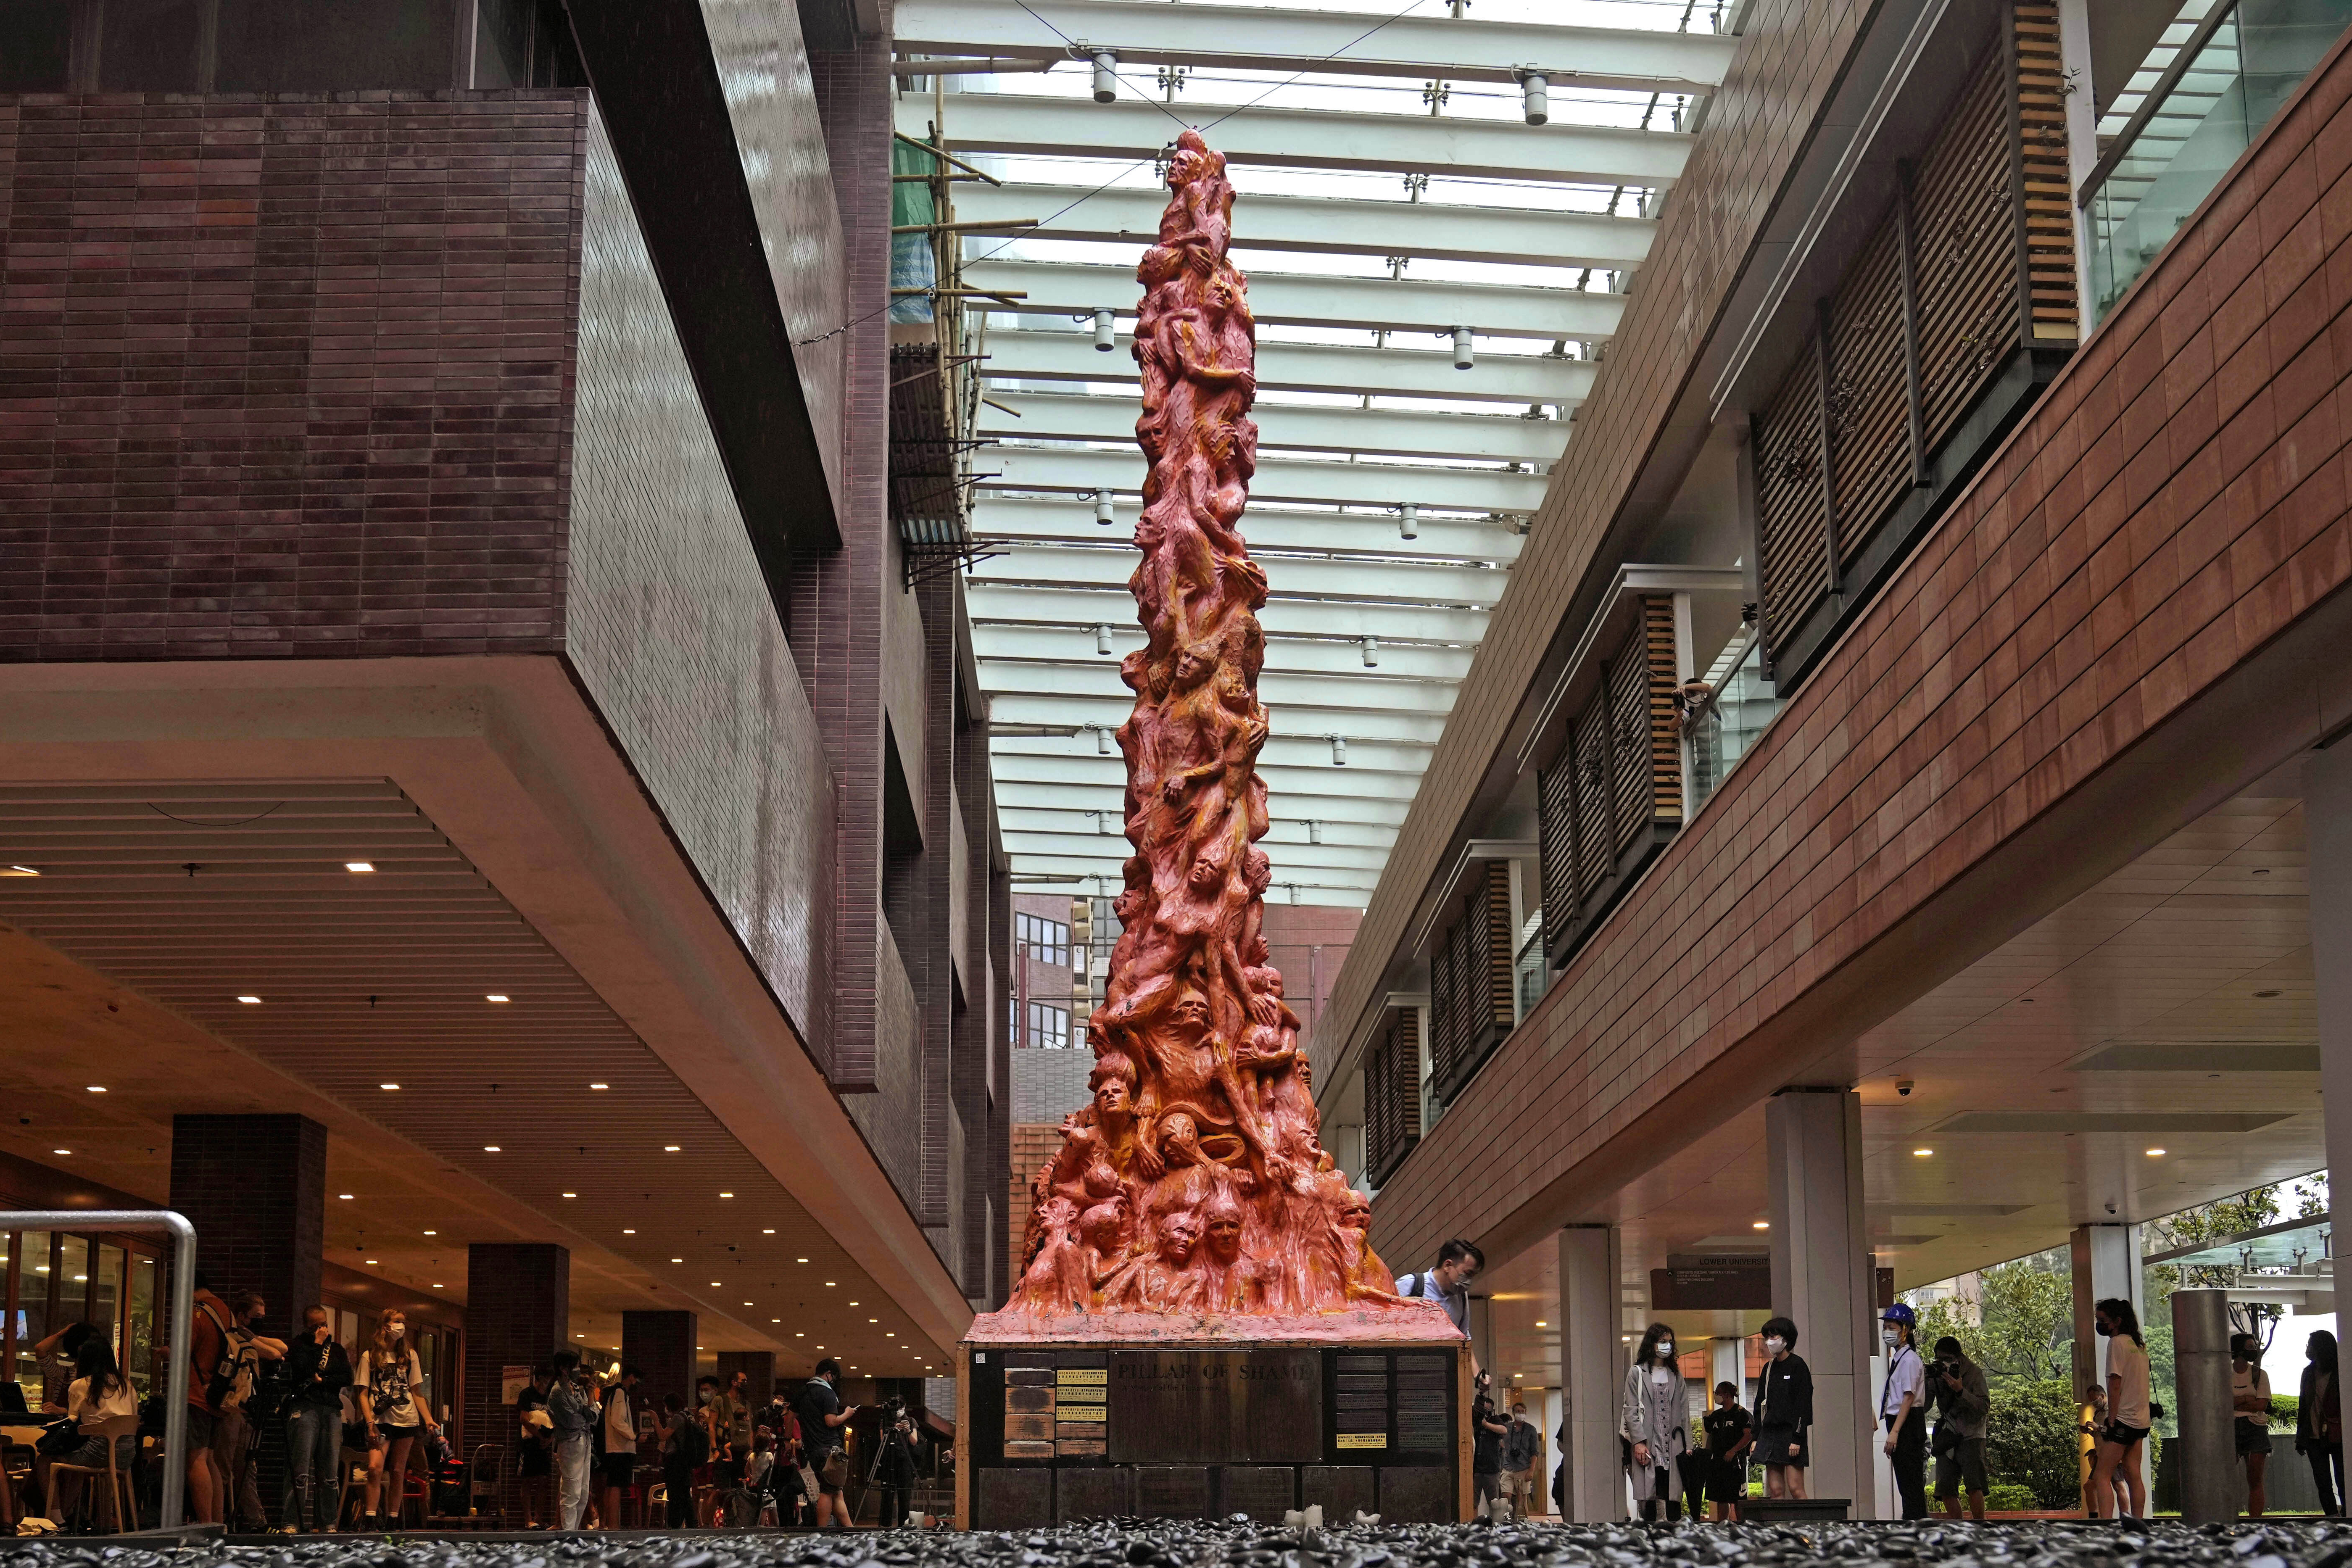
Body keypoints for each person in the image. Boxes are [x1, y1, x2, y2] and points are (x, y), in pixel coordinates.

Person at [356, 1309, 440, 1530]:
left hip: (407, 1419)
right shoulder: (370, 1356)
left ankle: (393, 1518)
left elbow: (417, 1392)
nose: (401, 1326)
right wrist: (369, 1422)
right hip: (380, 1420)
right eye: (397, 1322)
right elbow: (363, 1393)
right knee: (375, 1467)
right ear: (385, 1325)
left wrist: (429, 1419)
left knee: (398, 1471)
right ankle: (370, 1517)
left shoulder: (410, 1356)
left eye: (404, 1322)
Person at [213, 1290, 288, 1531]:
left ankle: (257, 1522)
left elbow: (282, 1347)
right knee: (223, 1468)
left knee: (246, 1470)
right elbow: (274, 1353)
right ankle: (216, 1521)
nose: (261, 1319)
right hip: (231, 1408)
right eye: (257, 1315)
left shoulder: (246, 1335)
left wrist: (254, 1335)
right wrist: (253, 1339)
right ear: (243, 1315)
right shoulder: (233, 1337)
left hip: (246, 1411)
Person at [41, 1338, 136, 1525]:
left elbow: (73, 1419)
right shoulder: (127, 1385)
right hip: (126, 1454)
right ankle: (66, 1515)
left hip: (98, 1453)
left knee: (45, 1460)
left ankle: (55, 1517)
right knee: (77, 1464)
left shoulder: (81, 1385)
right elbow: (134, 1417)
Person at [283, 1307, 352, 1531]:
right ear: (307, 1326)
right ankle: (292, 1522)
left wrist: (322, 1380)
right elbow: (302, 1369)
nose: (322, 1329)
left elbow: (346, 1377)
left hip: (331, 1411)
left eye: (324, 1324)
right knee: (300, 1470)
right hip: (305, 1408)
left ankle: (328, 1523)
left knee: (330, 1472)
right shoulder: (299, 1346)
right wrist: (315, 1345)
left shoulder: (337, 1349)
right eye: (316, 1326)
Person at [2088, 1296, 2150, 1520]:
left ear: (2117, 1321)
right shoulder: (2139, 1346)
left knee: (2102, 1475)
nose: (2100, 1324)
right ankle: (2139, 1522)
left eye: (2103, 1320)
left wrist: (2111, 1419)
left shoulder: (2117, 1343)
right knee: (2134, 1474)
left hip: (2123, 1419)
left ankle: (2106, 1524)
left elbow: (2114, 1385)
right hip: (2142, 1420)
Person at [1620, 1322, 1689, 1522]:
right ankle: (1651, 1541)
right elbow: (1630, 1410)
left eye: (1669, 1342)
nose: (1667, 1346)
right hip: (1649, 1443)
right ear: (1652, 1344)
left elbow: (1684, 1410)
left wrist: (1689, 1446)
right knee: (1649, 1497)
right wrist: (1639, 1442)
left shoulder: (1676, 1375)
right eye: (1662, 1342)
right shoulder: (1637, 1373)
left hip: (1673, 1445)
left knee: (1673, 1497)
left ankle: (1673, 1542)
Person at [184, 1275, 233, 1524]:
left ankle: (204, 1524)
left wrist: (167, 1352)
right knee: (211, 1458)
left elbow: (185, 1350)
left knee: (197, 1458)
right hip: (219, 1394)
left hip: (196, 1393)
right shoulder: (226, 1311)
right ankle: (217, 1523)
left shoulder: (197, 1313)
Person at [1928, 1335, 1989, 1521]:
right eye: (1938, 1359)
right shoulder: (1939, 1374)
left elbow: (1984, 1407)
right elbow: (1926, 1405)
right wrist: (1925, 1381)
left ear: (1958, 1358)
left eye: (1946, 1359)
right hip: (1949, 1432)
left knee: (1974, 1485)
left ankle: (1980, 1526)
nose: (1942, 1363)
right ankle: (1958, 1526)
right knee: (1945, 1487)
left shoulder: (1974, 1373)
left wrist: (1961, 1391)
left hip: (1972, 1433)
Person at [1752, 1317, 1812, 1500]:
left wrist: (1797, 1438)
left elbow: (1804, 1404)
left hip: (1791, 1433)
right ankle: (1778, 1528)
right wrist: (1756, 1438)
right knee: (1776, 1491)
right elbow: (1760, 1404)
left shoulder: (1798, 1365)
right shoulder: (1768, 1368)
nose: (1769, 1341)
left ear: (1786, 1339)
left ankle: (1808, 1527)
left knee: (1796, 1488)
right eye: (1767, 1337)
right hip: (1770, 1434)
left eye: (1773, 1336)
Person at [795, 1358, 859, 1527]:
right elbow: (831, 1421)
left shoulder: (803, 1391)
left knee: (836, 1491)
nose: (834, 1381)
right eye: (834, 1377)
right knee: (828, 1491)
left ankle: (850, 1529)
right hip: (829, 1448)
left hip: (812, 1449)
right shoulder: (827, 1393)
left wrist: (791, 1439)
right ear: (829, 1374)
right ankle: (822, 1530)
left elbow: (789, 1417)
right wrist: (847, 1414)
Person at [1879, 1303, 1927, 1520]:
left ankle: (1915, 1523)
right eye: (1885, 1328)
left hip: (1907, 1423)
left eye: (1891, 1328)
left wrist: (1895, 1432)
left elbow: (1908, 1397)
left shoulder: (1909, 1360)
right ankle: (1912, 1520)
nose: (1887, 1333)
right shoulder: (1899, 1359)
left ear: (1905, 1330)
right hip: (1900, 1421)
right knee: (1906, 1482)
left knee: (1911, 1483)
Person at [546, 1349, 598, 1530]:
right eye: (575, 1366)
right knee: (572, 1489)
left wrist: (587, 1407)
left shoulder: (576, 1388)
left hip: (584, 1441)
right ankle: (568, 1532)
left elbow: (594, 1416)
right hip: (569, 1442)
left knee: (583, 1492)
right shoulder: (557, 1392)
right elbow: (571, 1421)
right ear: (564, 1369)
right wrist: (585, 1415)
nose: (578, 1370)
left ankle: (575, 1531)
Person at [1395, 1239, 1484, 1345]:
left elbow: (1464, 1340)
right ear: (1447, 1265)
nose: (1469, 1281)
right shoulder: (1410, 1285)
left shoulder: (1462, 1297)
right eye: (1467, 1273)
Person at [2298, 1330, 2344, 1515]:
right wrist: (2301, 1436)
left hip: (2338, 1434)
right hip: (2313, 1436)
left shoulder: (2341, 1371)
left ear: (2319, 1348)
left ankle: (2347, 1517)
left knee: (2343, 1480)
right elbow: (2304, 1405)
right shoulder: (2308, 1373)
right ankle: (2333, 1518)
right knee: (2323, 1482)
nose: (2308, 1349)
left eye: (2310, 1345)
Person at [2233, 1331, 2275, 1517]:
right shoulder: (2223, 1373)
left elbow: (2262, 1405)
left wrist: (2236, 1401)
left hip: (2255, 1427)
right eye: (2250, 1347)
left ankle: (2255, 1521)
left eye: (2254, 1347)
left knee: (2255, 1479)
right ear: (2238, 1350)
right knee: (2225, 1477)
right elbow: (2220, 1404)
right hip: (2231, 1428)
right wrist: (2247, 1398)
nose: (2254, 1350)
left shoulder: (2259, 1374)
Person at [1701, 1380, 1752, 1523]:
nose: (1716, 1396)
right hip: (1717, 1463)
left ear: (1727, 1395)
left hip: (1736, 1464)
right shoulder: (1716, 1416)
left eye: (1718, 1393)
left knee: (1738, 1500)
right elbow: (1710, 1436)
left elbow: (1748, 1435)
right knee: (1720, 1498)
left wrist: (1733, 1451)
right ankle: (1722, 1526)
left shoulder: (1741, 1414)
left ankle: (1742, 1526)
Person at [599, 1364, 641, 1530]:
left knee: (612, 1486)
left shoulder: (617, 1394)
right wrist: (634, 1436)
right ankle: (614, 1525)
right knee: (616, 1486)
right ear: (631, 1377)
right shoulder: (619, 1393)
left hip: (615, 1448)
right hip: (620, 1448)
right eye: (637, 1379)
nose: (638, 1383)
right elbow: (618, 1421)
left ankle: (609, 1524)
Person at [517, 1365, 555, 1528]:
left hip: (546, 1443)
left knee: (543, 1480)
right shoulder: (527, 1394)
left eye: (548, 1380)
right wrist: (540, 1436)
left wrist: (550, 1438)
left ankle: (539, 1518)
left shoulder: (550, 1396)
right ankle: (528, 1519)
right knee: (527, 1480)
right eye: (543, 1379)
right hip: (529, 1442)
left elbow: (557, 1420)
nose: (545, 1383)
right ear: (537, 1378)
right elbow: (524, 1419)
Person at [874, 1399, 918, 1528]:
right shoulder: (886, 1421)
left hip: (905, 1461)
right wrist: (893, 1428)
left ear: (904, 1406)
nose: (898, 1410)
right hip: (889, 1460)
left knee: (905, 1496)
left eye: (900, 1407)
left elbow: (914, 1442)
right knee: (887, 1495)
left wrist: (908, 1430)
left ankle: (904, 1526)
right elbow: (884, 1441)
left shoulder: (911, 1421)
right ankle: (885, 1527)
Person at [657, 1393, 699, 1529]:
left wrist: (655, 1420)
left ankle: (676, 1525)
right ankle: (691, 1524)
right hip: (683, 1462)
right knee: (684, 1494)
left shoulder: (677, 1418)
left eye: (665, 1406)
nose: (665, 1409)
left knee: (676, 1494)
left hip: (676, 1462)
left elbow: (663, 1435)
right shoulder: (685, 1417)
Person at [1469, 1369, 1506, 1513]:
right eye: (1481, 1410)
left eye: (1486, 1411)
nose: (1483, 1413)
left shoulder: (1494, 1420)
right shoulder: (1474, 1419)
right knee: (1473, 1501)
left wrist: (1486, 1424)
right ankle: (1472, 1523)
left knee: (1494, 1502)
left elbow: (1504, 1430)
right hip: (1476, 1470)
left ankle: (1495, 1525)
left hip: (1491, 1470)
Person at [1501, 1399, 1541, 1518]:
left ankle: (1521, 1520)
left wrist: (1532, 1470)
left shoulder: (1531, 1430)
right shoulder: (1506, 1428)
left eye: (1523, 1411)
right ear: (1513, 1413)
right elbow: (1500, 1441)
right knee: (1506, 1497)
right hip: (1508, 1467)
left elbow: (1535, 1452)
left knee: (1521, 1500)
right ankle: (1507, 1519)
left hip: (1523, 1468)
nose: (1520, 1413)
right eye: (1518, 1411)